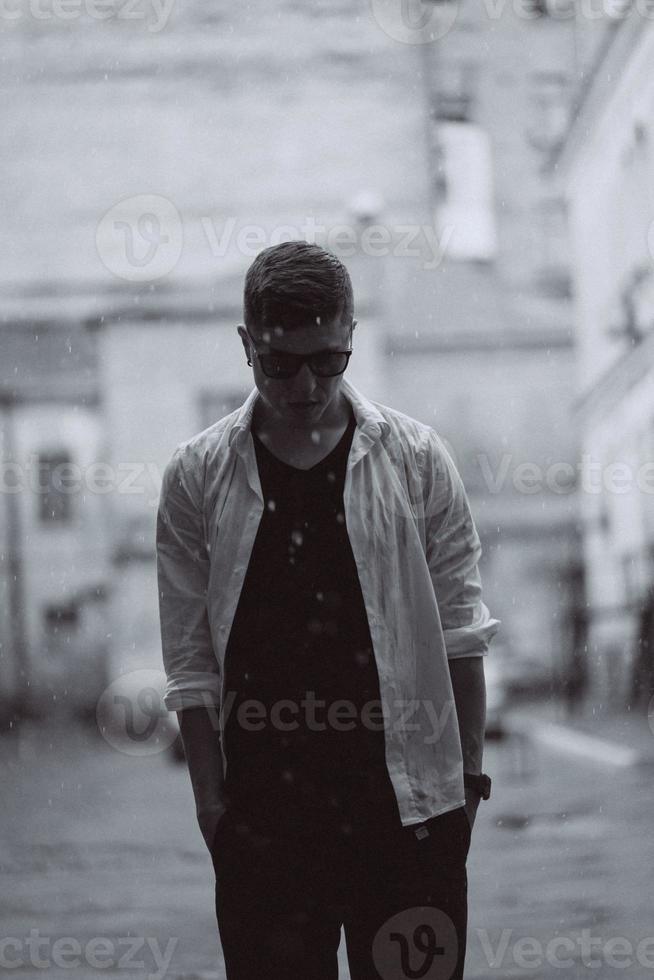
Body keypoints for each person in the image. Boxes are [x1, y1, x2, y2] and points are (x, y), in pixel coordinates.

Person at [156, 241, 500, 980]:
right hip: (266, 828)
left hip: (412, 817)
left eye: (330, 360)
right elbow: (189, 662)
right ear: (246, 346)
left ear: (351, 340)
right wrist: (213, 810)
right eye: (281, 364)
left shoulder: (414, 458)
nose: (307, 385)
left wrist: (467, 783)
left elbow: (463, 629)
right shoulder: (197, 476)